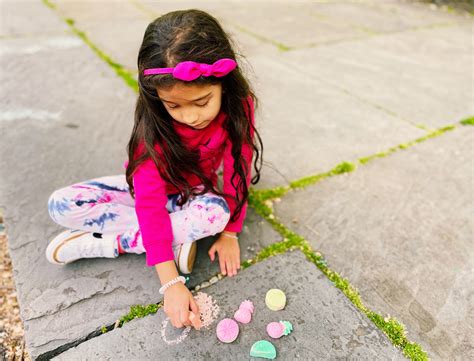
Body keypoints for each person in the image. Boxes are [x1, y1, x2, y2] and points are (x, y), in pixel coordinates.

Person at [45, 9, 263, 329]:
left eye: (202, 102)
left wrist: (231, 231)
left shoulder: (238, 107)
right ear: (156, 96)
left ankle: (110, 243)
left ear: (224, 86)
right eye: (173, 105)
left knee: (217, 214)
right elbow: (148, 202)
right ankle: (171, 237)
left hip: (195, 194)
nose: (189, 117)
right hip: (150, 195)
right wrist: (170, 283)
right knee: (60, 205)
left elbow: (237, 167)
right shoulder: (153, 130)